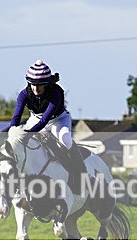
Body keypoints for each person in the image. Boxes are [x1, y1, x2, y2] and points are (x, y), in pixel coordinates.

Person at [8, 59, 87, 188]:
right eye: (33, 84)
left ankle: (80, 172)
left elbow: (45, 121)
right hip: (35, 119)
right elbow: (16, 117)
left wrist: (27, 135)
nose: (36, 88)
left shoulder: (56, 94)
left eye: (40, 84)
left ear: (47, 84)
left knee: (66, 140)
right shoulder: (23, 94)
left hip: (58, 120)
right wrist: (12, 135)